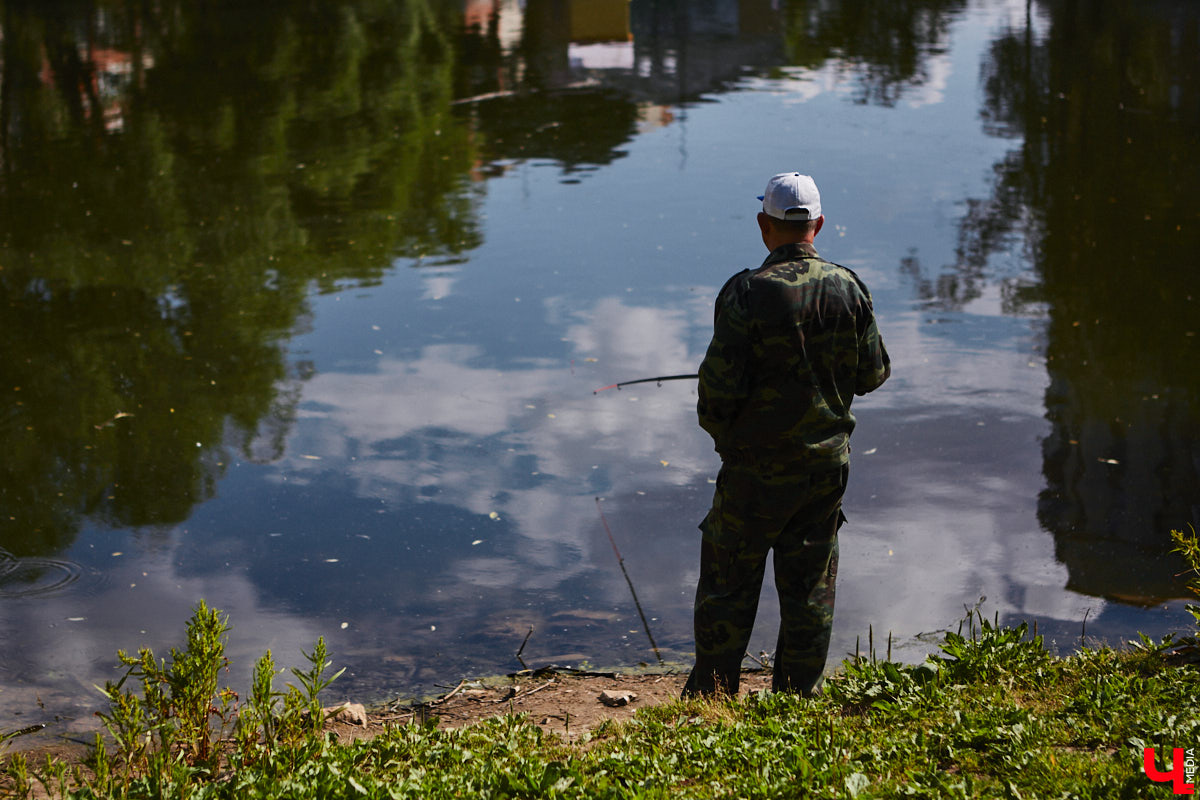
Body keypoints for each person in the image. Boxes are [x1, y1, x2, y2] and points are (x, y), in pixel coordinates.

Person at [682, 172, 891, 698]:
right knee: (810, 587)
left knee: (728, 582)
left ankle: (712, 695)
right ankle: (797, 697)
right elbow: (872, 375)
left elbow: (715, 397)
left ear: (763, 226)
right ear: (817, 225)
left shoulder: (746, 294)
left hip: (754, 469)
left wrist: (728, 440)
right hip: (824, 469)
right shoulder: (850, 288)